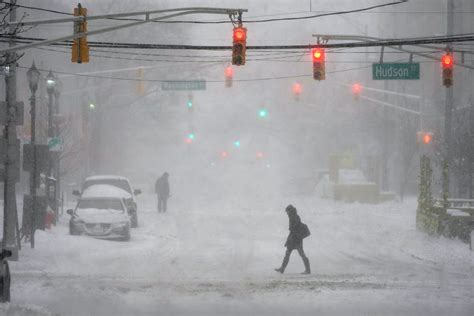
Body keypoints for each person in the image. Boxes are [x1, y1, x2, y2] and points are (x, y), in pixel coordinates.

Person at [275, 204, 311, 274]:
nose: (286, 213)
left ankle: (308, 270)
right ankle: (282, 268)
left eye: (287, 211)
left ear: (290, 211)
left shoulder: (294, 217)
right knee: (288, 253)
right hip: (294, 238)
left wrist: (292, 231)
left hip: (296, 238)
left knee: (301, 253)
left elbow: (294, 228)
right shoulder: (293, 216)